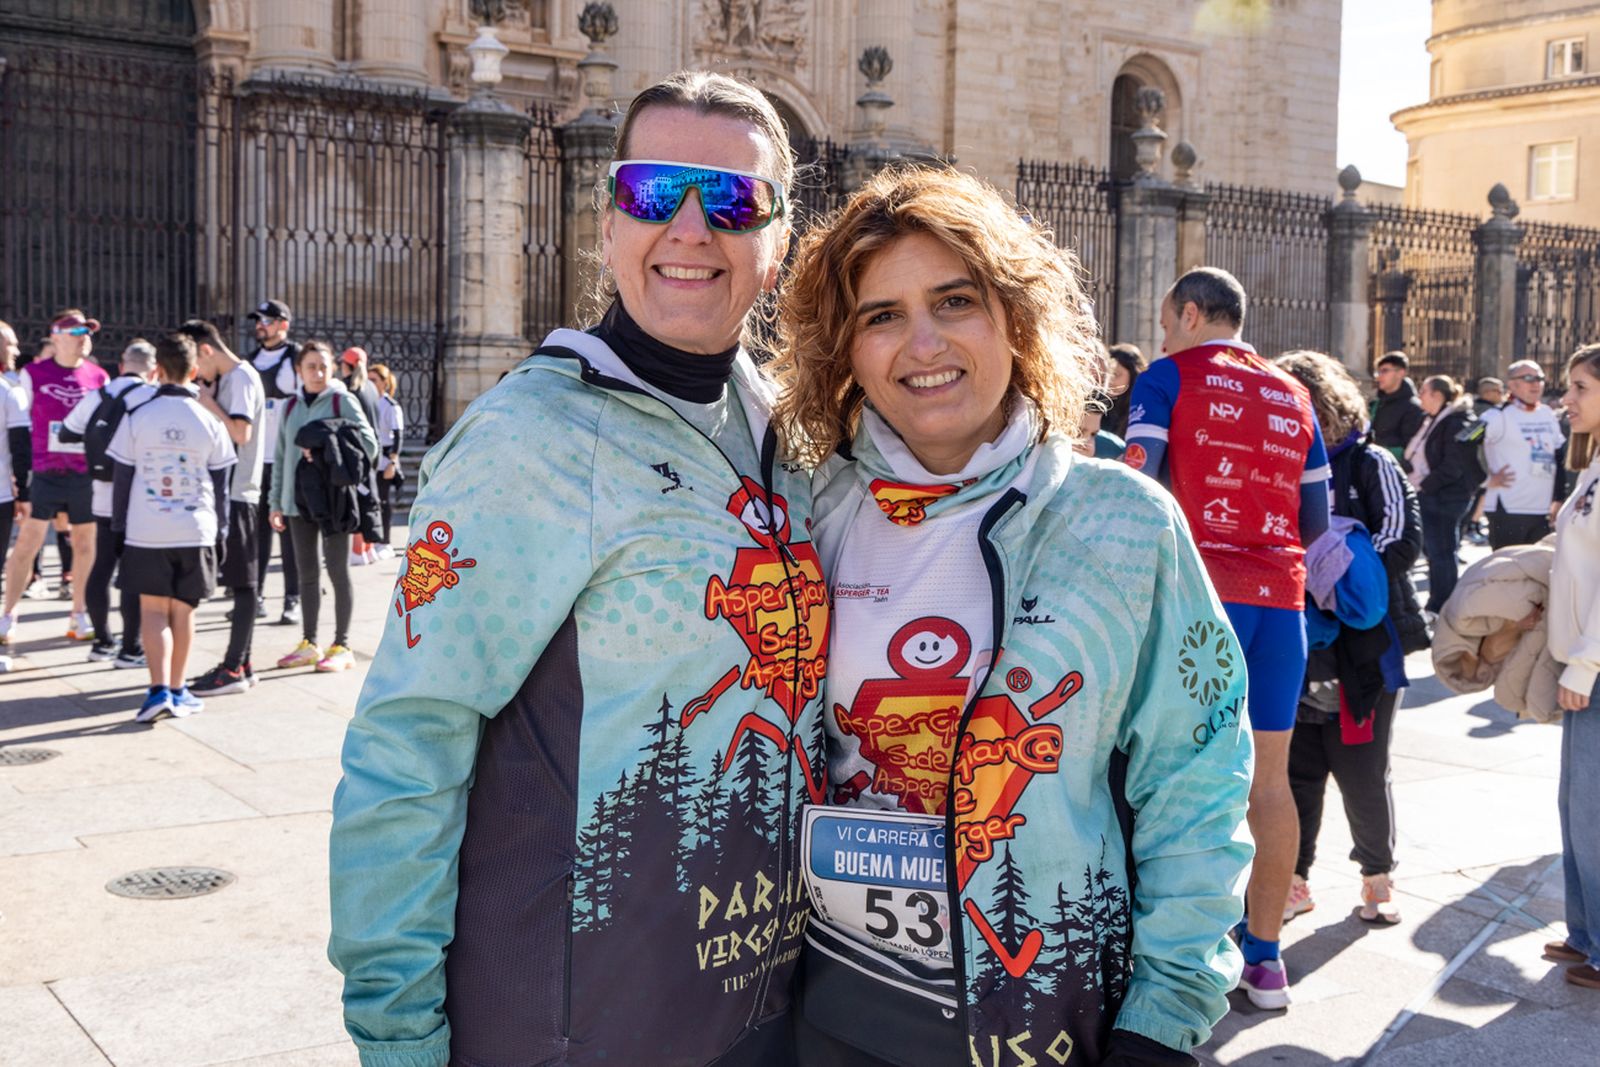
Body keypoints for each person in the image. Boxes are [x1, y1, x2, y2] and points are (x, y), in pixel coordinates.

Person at [328, 71, 823, 1067]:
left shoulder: (791, 432)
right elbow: (408, 742)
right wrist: (396, 1030)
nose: (690, 228)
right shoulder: (530, 439)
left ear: (777, 242)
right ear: (609, 223)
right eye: (653, 191)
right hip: (573, 1021)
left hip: (760, 1002)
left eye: (733, 200)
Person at [774, 167, 1251, 1066]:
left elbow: (1198, 779)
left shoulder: (1124, 523)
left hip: (1047, 1010)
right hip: (832, 1009)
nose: (923, 342)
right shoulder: (804, 512)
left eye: (955, 300)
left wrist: (1166, 1015)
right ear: (846, 351)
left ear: (1015, 317)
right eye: (882, 315)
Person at [1124, 266, 1331, 1011]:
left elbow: (1138, 490)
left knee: (1169, 778)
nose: (1161, 338)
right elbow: (1316, 518)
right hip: (1280, 605)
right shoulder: (1295, 392)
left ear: (1188, 313)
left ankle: (1170, 963)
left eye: (1163, 322)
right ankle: (1266, 962)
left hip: (1198, 603)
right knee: (1268, 783)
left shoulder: (1166, 378)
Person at [1275, 351, 1422, 928]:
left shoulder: (1370, 462)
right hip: (1300, 643)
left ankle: (1377, 878)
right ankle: (1294, 882)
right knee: (1298, 770)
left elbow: (1401, 541)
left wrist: (1334, 573)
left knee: (1362, 770)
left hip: (1364, 649)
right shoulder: (1275, 464)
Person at [107, 333, 236, 722]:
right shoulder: (209, 420)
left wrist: (118, 529)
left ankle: (158, 690)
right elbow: (221, 486)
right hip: (196, 528)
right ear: (195, 371)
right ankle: (179, 690)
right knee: (184, 611)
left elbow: (122, 479)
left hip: (147, 529)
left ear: (157, 370)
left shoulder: (138, 415)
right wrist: (222, 532)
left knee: (152, 610)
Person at [0, 310, 109, 648]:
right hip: (44, 472)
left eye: (88, 332)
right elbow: (21, 424)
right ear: (57, 336)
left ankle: (78, 612)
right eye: (77, 332)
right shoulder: (33, 374)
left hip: (83, 473)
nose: (84, 338)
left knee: (85, 543)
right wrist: (20, 476)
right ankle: (9, 613)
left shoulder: (98, 376)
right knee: (27, 543)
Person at [268, 341, 377, 674]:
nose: (317, 373)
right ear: (299, 370)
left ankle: (342, 644)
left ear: (332, 369)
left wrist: (328, 441)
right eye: (311, 366)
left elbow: (369, 444)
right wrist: (276, 501)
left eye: (323, 367)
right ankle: (309, 643)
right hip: (297, 502)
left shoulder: (341, 400)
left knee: (338, 571)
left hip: (334, 501)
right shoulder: (290, 406)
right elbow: (281, 455)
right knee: (307, 574)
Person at [1546, 343, 1600, 990]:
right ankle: (1585, 931)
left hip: (1596, 664)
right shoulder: (1591, 465)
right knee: (1575, 804)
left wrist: (1584, 665)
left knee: (1593, 809)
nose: (1568, 399)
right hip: (1582, 657)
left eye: (1581, 387)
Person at [181, 320, 267, 696]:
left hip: (239, 492)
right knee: (239, 581)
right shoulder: (232, 378)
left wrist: (208, 402)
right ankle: (241, 663)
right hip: (232, 492)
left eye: (197, 364)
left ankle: (234, 668)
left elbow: (240, 433)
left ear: (206, 350)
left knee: (244, 583)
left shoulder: (242, 378)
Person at [58, 339, 156, 666]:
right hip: (136, 497)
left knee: (101, 567)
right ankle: (131, 648)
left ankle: (102, 643)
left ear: (121, 366)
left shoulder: (99, 395)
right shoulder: (151, 396)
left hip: (101, 495)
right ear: (154, 369)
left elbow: (67, 433)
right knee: (132, 573)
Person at [1402, 374, 1483, 613]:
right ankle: (1441, 601)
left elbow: (1454, 464)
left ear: (1437, 395)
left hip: (1444, 496)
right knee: (1435, 551)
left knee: (1442, 553)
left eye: (1423, 392)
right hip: (1431, 493)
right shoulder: (1434, 418)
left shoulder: (1455, 421)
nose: (1419, 397)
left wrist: (1426, 486)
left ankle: (1442, 605)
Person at [247, 299, 302, 625]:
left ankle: (293, 598)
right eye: (258, 320)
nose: (260, 326)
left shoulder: (296, 357)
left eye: (267, 320)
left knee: (289, 533)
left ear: (283, 324)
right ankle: (255, 595)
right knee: (257, 534)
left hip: (287, 458)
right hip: (257, 459)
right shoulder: (250, 360)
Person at [1479, 359, 1565, 549]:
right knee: (1507, 566)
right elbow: (1463, 442)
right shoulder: (1496, 416)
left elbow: (1559, 457)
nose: (1536, 384)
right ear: (1512, 384)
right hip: (1509, 508)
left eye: (1539, 378)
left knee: (1539, 566)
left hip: (1543, 509)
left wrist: (1559, 498)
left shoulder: (1547, 414)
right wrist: (1483, 479)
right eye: (1528, 378)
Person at [0, 331, 27, 673]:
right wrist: (26, 495)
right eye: (11, 343)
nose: (18, 350)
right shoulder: (9, 392)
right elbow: (21, 448)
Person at [368, 362, 404, 557]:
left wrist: (393, 462)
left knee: (383, 501)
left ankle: (385, 542)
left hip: (385, 459)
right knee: (371, 501)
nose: (370, 383)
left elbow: (398, 436)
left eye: (374, 380)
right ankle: (372, 540)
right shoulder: (367, 401)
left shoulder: (391, 406)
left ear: (384, 382)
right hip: (370, 458)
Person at [1370, 351, 1426, 466]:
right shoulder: (1376, 404)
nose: (1379, 377)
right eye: (1378, 372)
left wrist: (1379, 452)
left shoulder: (1413, 408)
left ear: (1401, 373)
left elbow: (1410, 449)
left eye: (1384, 371)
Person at [1102, 341, 1146, 439]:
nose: (1109, 380)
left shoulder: (1142, 411)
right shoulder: (1097, 406)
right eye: (1106, 374)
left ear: (1133, 376)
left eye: (1116, 374)